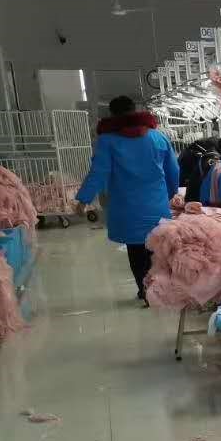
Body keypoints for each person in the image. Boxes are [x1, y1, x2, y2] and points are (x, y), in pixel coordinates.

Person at [75, 96, 179, 305]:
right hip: (157, 206)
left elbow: (99, 172)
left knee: (136, 251)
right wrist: (169, 194)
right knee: (157, 251)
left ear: (112, 115)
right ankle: (161, 290)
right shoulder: (158, 137)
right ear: (135, 110)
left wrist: (83, 199)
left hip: (127, 208)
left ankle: (145, 291)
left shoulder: (108, 141)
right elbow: (173, 170)